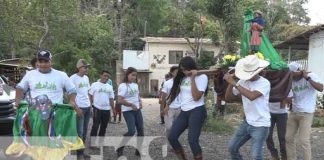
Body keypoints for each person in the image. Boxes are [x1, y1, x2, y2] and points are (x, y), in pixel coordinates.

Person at [224, 55, 270, 160]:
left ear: (258, 71)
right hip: (247, 122)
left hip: (261, 124)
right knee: (232, 147)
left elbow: (252, 96)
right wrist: (231, 83)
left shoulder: (264, 83)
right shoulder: (242, 82)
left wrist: (234, 83)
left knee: (256, 156)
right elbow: (228, 98)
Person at [15, 50, 82, 116]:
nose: (43, 64)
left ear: (51, 61)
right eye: (40, 62)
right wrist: (18, 99)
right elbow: (20, 87)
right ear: (37, 62)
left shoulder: (61, 75)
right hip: (35, 114)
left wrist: (72, 100)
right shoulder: (30, 74)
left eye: (46, 61)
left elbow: (72, 90)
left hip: (56, 114)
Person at [167, 56, 208, 160]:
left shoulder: (202, 77)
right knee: (172, 136)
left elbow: (196, 97)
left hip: (197, 111)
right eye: (182, 69)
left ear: (191, 67)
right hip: (184, 111)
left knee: (192, 140)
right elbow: (181, 95)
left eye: (185, 69)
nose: (184, 71)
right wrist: (168, 106)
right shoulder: (184, 78)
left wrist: (193, 78)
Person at [285, 62, 323, 160]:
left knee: (304, 140)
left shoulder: (311, 76)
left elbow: (320, 88)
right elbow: (290, 95)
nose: (292, 76)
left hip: (306, 113)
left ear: (300, 71)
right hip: (294, 112)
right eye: (290, 74)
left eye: (293, 73)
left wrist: (308, 78)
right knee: (288, 138)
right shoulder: (291, 79)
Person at [116, 67, 144, 157]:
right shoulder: (123, 86)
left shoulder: (135, 85)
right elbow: (120, 100)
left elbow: (137, 95)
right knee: (131, 131)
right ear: (127, 74)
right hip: (128, 111)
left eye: (135, 75)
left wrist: (140, 101)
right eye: (132, 75)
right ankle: (120, 147)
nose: (134, 77)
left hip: (137, 110)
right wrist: (131, 105)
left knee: (141, 132)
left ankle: (138, 150)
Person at [70, 59, 91, 159]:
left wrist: (90, 105)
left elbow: (87, 93)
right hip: (79, 108)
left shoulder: (86, 78)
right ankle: (79, 155)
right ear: (79, 68)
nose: (86, 69)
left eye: (87, 67)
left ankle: (82, 151)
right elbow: (68, 94)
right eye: (84, 67)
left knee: (85, 130)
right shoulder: (73, 78)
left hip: (87, 107)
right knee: (80, 131)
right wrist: (76, 108)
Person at [89, 70, 115, 148]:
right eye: (104, 75)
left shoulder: (109, 87)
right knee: (95, 126)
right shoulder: (94, 85)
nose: (106, 77)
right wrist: (90, 106)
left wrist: (113, 110)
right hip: (97, 108)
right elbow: (90, 96)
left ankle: (100, 143)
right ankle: (92, 144)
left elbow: (111, 99)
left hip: (106, 110)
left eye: (107, 76)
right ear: (101, 75)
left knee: (104, 127)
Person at [266, 90, 293, 160]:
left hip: (282, 113)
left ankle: (284, 156)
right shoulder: (269, 83)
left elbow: (290, 99)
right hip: (268, 112)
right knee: (267, 135)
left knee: (282, 137)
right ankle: (274, 154)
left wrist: (283, 99)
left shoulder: (286, 85)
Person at [161, 66, 180, 136]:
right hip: (169, 108)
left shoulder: (182, 82)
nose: (178, 73)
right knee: (169, 127)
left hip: (180, 107)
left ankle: (175, 142)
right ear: (172, 73)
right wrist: (162, 109)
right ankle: (169, 141)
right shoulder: (167, 83)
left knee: (178, 127)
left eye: (179, 72)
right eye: (176, 72)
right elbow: (163, 97)